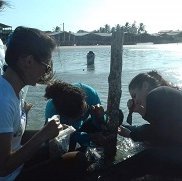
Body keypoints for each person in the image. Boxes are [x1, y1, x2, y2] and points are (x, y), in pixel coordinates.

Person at [0, 26, 88, 181]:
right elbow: (3, 168)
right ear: (28, 61)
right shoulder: (4, 100)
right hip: (11, 176)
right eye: (46, 66)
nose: (46, 73)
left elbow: (13, 140)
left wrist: (50, 132)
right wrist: (42, 136)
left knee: (71, 152)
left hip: (17, 168)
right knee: (78, 160)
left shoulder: (14, 91)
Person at [100, 70, 182, 180]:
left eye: (134, 96)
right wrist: (138, 113)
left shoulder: (155, 94)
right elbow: (163, 129)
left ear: (145, 86)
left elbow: (157, 132)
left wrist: (132, 134)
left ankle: (104, 177)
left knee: (148, 157)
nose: (133, 101)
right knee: (147, 146)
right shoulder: (165, 94)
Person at [44, 80, 108, 152]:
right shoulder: (52, 110)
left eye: (82, 113)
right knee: (55, 145)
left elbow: (100, 125)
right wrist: (89, 137)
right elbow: (55, 137)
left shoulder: (90, 95)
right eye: (74, 118)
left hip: (82, 127)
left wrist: (101, 117)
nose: (80, 117)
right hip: (66, 131)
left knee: (115, 118)